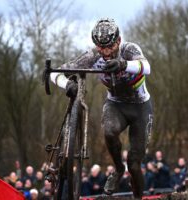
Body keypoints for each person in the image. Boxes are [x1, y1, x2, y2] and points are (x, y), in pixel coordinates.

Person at [50, 18, 153, 199]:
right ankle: (118, 169)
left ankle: (137, 197)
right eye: (101, 47)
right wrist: (66, 84)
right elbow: (56, 73)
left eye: (110, 47)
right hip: (116, 105)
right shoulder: (93, 56)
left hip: (140, 107)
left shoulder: (129, 49)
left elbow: (146, 67)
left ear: (118, 41)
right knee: (109, 131)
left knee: (135, 164)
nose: (105, 52)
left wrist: (123, 64)